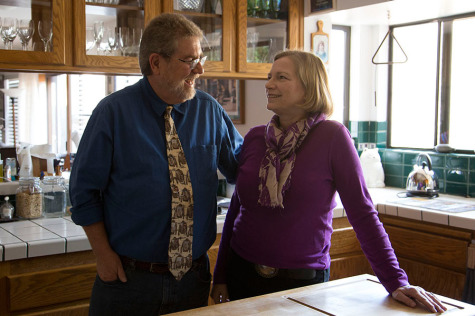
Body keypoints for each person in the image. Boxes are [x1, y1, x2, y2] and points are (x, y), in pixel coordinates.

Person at [210, 50, 446, 313]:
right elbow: (236, 211)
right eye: (269, 77)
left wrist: (396, 281)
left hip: (302, 282)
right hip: (241, 275)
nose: (268, 84)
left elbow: (363, 214)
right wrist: (220, 277)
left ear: (309, 87)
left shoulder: (333, 137)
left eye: (281, 77)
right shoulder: (255, 138)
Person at [69, 13, 243, 315]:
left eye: (201, 58)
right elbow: (83, 193)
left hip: (194, 279)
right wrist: (103, 255)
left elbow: (242, 168)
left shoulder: (209, 111)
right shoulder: (112, 113)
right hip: (129, 281)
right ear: (156, 63)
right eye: (189, 60)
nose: (200, 69)